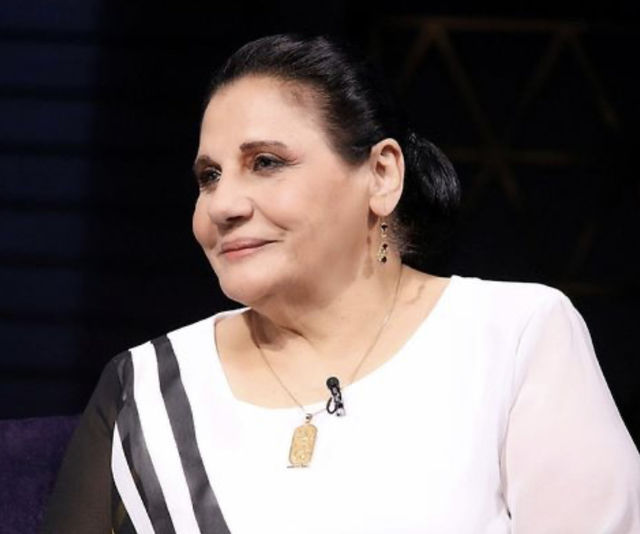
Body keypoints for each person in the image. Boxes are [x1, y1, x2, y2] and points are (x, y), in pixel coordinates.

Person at [41, 34, 640, 534]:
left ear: (381, 174)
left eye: (266, 162)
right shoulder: (146, 385)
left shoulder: (515, 334)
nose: (222, 205)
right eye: (209, 176)